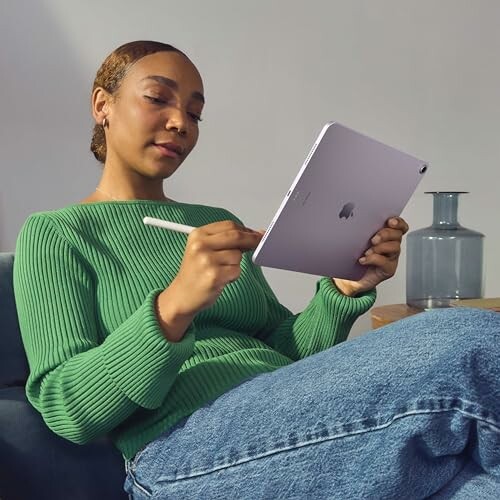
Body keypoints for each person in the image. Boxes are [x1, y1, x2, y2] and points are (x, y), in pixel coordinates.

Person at [13, 40, 499, 499]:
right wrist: (173, 307)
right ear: (103, 105)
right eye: (158, 98)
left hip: (284, 412)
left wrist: (342, 291)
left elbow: (284, 351)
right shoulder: (57, 233)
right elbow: (66, 407)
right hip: (183, 454)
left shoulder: (211, 223)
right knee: (472, 340)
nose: (181, 122)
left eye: (195, 112)